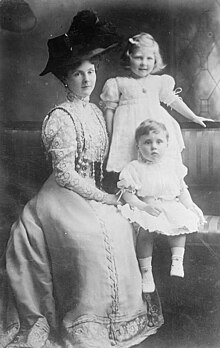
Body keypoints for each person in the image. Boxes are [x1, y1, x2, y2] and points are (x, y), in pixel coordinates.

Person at [0, 11, 164, 348]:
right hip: (60, 194)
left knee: (120, 225)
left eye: (90, 72)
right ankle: (84, 322)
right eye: (78, 74)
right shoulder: (60, 117)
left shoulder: (94, 111)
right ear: (66, 80)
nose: (87, 79)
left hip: (92, 190)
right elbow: (65, 174)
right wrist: (103, 198)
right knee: (86, 235)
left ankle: (119, 319)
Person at [100, 32, 213, 189]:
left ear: (155, 60)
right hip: (127, 131)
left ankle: (158, 194)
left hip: (154, 129)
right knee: (131, 167)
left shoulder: (159, 82)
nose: (144, 63)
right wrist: (110, 135)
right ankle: (134, 201)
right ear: (128, 57)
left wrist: (194, 117)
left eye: (149, 58)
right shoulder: (119, 83)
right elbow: (110, 109)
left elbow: (172, 100)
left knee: (158, 163)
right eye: (138, 57)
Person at [117, 119, 205, 294]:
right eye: (147, 142)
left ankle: (177, 260)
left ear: (167, 144)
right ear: (138, 146)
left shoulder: (172, 166)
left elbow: (182, 190)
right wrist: (143, 207)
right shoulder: (134, 168)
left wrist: (191, 206)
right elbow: (127, 195)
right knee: (145, 232)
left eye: (159, 142)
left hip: (170, 205)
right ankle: (146, 272)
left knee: (181, 226)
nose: (153, 147)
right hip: (148, 207)